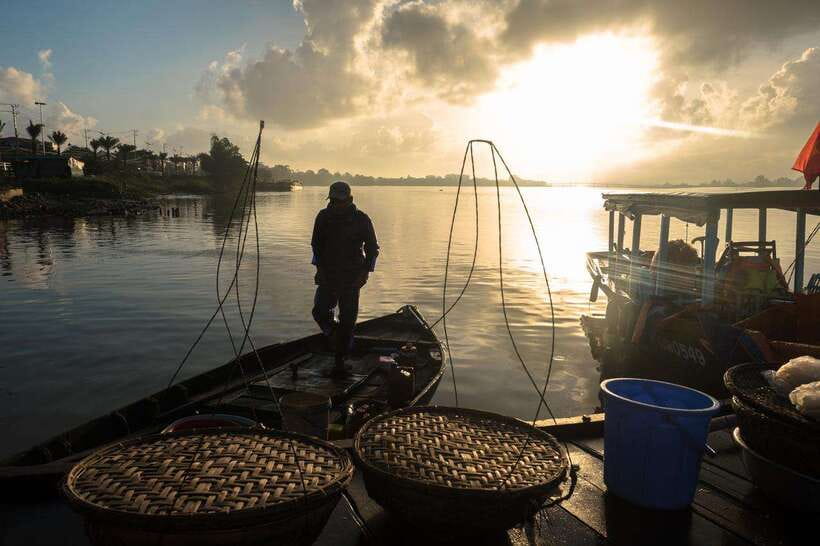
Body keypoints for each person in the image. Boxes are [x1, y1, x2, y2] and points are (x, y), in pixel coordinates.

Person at [311, 181, 379, 375]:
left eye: (340, 201)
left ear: (350, 200)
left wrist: (365, 273)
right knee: (319, 311)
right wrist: (319, 270)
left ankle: (340, 360)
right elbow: (316, 246)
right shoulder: (323, 217)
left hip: (352, 276)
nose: (336, 205)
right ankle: (334, 334)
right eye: (333, 201)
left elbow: (372, 248)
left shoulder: (361, 219)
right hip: (328, 274)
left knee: (348, 320)